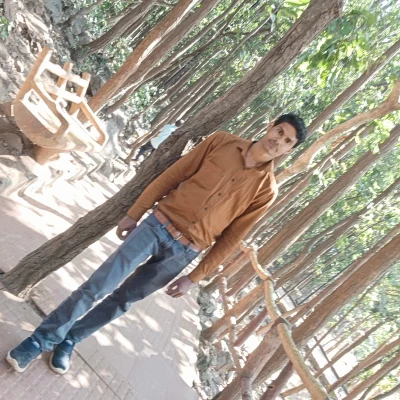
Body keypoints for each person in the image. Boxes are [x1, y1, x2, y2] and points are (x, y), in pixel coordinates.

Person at [7, 113, 307, 374]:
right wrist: (135, 213)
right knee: (98, 285)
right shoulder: (222, 142)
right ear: (270, 126)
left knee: (123, 301)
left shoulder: (267, 190)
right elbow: (173, 175)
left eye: (287, 141)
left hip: (183, 252)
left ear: (290, 150)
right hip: (156, 226)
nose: (278, 141)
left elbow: (231, 238)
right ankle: (40, 341)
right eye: (279, 131)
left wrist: (194, 277)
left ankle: (70, 339)